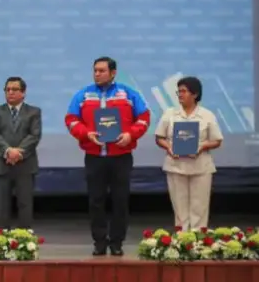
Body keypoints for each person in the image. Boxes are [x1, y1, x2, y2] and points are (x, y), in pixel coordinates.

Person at [65, 57, 150, 256]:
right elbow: (70, 119)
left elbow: (144, 118)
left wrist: (130, 135)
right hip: (94, 157)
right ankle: (99, 242)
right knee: (96, 201)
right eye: (95, 70)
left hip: (121, 156)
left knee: (120, 201)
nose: (97, 74)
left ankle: (117, 242)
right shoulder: (83, 95)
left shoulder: (128, 94)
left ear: (113, 73)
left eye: (102, 70)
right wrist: (86, 134)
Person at [154, 76, 223, 230]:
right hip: (175, 166)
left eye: (184, 91)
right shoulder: (170, 113)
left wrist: (202, 146)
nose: (180, 95)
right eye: (178, 91)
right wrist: (169, 147)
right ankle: (182, 241)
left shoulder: (207, 115)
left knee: (200, 207)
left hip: (201, 167)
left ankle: (198, 241)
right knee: (180, 208)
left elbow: (217, 140)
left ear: (195, 94)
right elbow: (159, 137)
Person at [0, 76, 42, 230]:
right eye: (8, 89)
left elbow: (34, 135)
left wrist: (18, 152)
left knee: (25, 204)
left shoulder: (34, 111)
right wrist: (8, 151)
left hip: (25, 164)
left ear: (23, 93)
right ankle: (2, 241)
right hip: (1, 163)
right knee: (1, 206)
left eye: (15, 89)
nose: (10, 92)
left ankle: (24, 239)